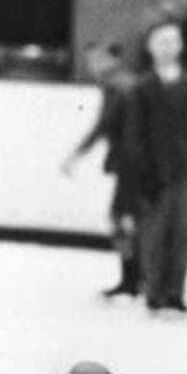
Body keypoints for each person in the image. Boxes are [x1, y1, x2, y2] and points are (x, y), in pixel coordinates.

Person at [126, 19, 187, 313]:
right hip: (154, 173)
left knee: (182, 235)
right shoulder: (142, 88)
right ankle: (154, 291)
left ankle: (176, 292)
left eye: (173, 41)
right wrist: (142, 173)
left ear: (180, 46)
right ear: (151, 47)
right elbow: (134, 136)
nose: (167, 47)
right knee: (154, 235)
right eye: (161, 41)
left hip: (183, 171)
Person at [61, 41, 141, 298]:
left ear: (111, 59)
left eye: (97, 60)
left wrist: (76, 154)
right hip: (136, 162)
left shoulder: (117, 85)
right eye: (89, 61)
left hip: (132, 164)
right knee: (135, 220)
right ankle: (135, 279)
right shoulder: (125, 82)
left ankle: (131, 281)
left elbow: (104, 125)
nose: (92, 66)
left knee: (121, 218)